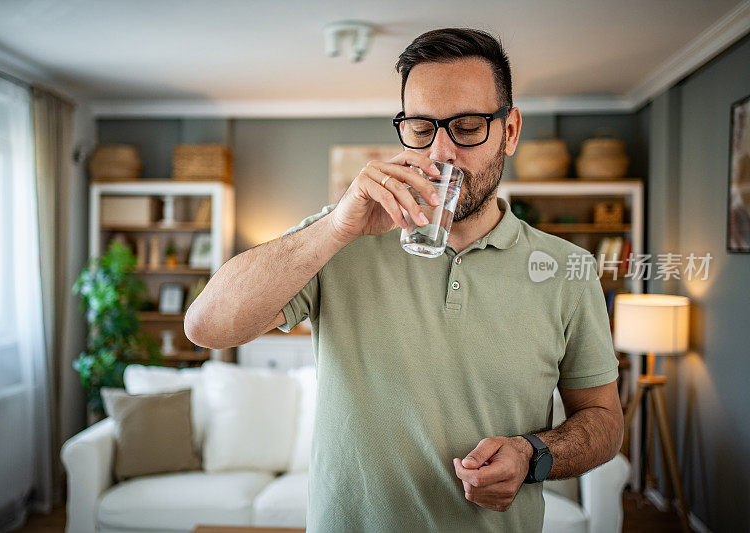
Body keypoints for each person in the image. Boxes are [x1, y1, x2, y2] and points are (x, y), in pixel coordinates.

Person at [185, 27, 624, 533]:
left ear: (511, 130)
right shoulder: (339, 236)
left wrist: (533, 455)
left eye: (466, 126)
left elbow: (604, 422)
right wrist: (335, 229)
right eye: (421, 128)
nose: (442, 153)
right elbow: (205, 326)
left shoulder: (568, 270)